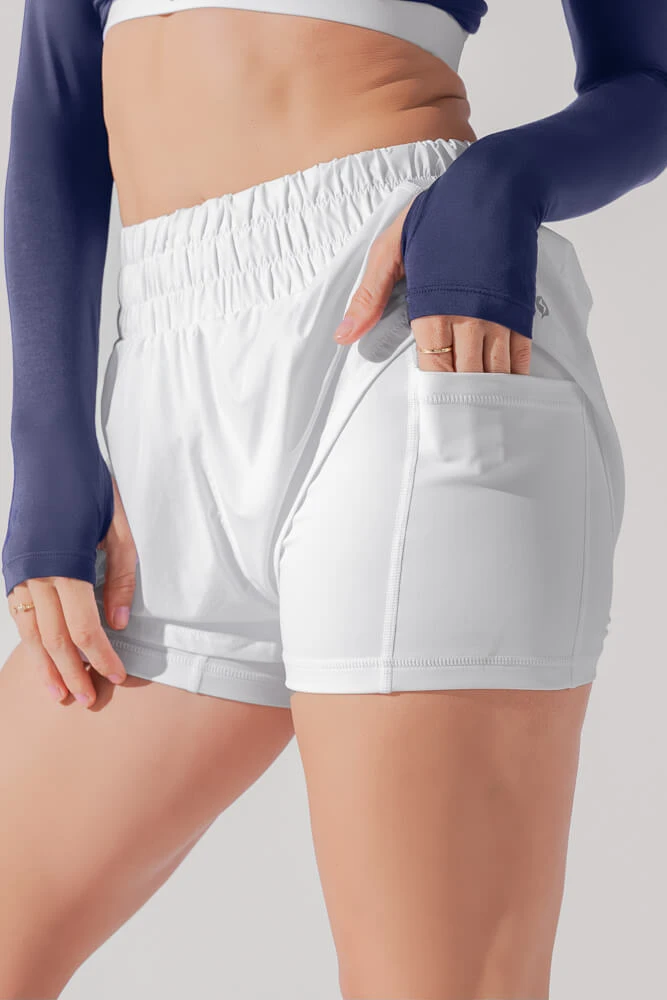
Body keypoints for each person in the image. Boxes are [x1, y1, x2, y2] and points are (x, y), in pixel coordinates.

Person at [0, 0, 665, 996]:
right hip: (161, 383)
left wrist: (502, 183)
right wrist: (49, 446)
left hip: (406, 319)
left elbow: (648, 77)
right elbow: (57, 105)